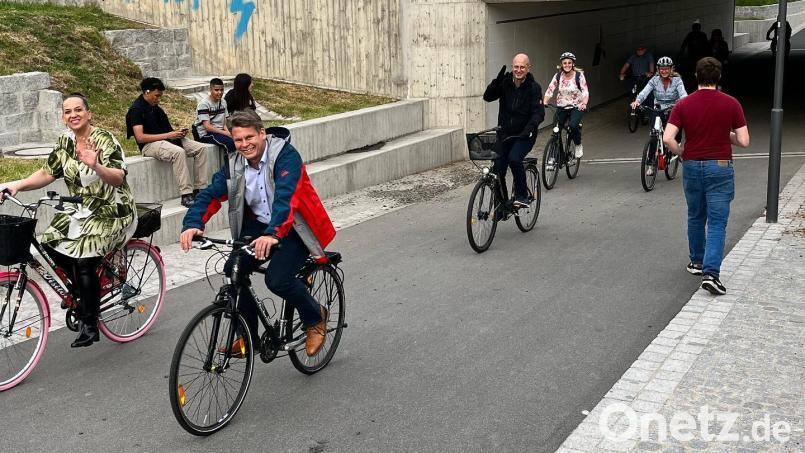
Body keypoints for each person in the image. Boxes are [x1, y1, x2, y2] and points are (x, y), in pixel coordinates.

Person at [180, 110, 336, 357]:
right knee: (234, 270)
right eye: (238, 139)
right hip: (258, 227)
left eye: (249, 137)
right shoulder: (234, 164)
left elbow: (286, 198)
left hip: (294, 227)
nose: (244, 144)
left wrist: (274, 234)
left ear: (262, 133)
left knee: (278, 279)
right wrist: (192, 223)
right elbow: (211, 194)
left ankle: (315, 316)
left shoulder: (285, 156)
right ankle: (248, 337)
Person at [1, 93, 137, 347]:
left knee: (84, 260)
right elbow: (47, 172)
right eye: (67, 111)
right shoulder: (65, 141)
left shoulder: (105, 140)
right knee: (49, 242)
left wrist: (96, 166)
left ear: (89, 113)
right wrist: (16, 185)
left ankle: (90, 321)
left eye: (78, 110)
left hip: (111, 210)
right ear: (63, 118)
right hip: (81, 209)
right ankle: (83, 290)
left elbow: (118, 177)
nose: (73, 115)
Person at [663, 57, 750, 296]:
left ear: (696, 76)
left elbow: (668, 138)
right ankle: (711, 274)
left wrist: (681, 152)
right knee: (717, 222)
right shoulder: (731, 103)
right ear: (719, 77)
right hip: (720, 166)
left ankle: (697, 261)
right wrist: (726, 134)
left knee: (695, 214)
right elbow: (744, 141)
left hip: (692, 165)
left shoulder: (683, 104)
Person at [126, 77, 208, 208]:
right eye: (156, 95)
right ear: (147, 92)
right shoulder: (136, 110)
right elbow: (140, 137)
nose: (158, 99)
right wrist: (169, 135)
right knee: (178, 152)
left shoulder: (156, 108)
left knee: (201, 149)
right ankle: (186, 194)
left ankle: (200, 189)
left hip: (167, 139)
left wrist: (177, 133)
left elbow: (166, 130)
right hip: (149, 145)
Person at [482, 53, 545, 208]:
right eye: (516, 66)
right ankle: (502, 204)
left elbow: (539, 113)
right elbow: (488, 97)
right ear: (512, 67)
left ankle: (522, 196)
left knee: (515, 159)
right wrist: (495, 83)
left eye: (522, 67)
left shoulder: (534, 87)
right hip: (504, 134)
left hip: (524, 135)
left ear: (528, 68)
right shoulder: (504, 83)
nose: (518, 70)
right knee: (497, 168)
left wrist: (529, 129)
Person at [631, 56, 687, 176]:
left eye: (667, 68)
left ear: (671, 69)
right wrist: (637, 101)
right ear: (658, 69)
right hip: (658, 108)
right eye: (662, 69)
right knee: (654, 134)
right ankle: (650, 164)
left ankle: (677, 148)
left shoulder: (677, 80)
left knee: (675, 129)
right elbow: (645, 92)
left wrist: (682, 103)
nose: (664, 71)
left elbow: (683, 95)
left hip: (674, 108)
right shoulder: (654, 80)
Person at [543, 51, 589, 158]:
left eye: (569, 63)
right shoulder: (558, 76)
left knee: (573, 126)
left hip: (576, 107)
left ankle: (578, 144)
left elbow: (585, 91)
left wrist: (584, 103)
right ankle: (558, 153)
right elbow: (550, 89)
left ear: (573, 64)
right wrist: (545, 100)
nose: (567, 65)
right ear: (561, 64)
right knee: (556, 129)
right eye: (565, 63)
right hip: (562, 107)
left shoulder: (579, 75)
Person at [194, 78, 235, 154]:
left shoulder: (223, 102)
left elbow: (225, 122)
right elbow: (207, 127)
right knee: (230, 142)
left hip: (220, 131)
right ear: (210, 89)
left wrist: (229, 132)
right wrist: (226, 133)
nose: (220, 92)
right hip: (205, 134)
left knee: (239, 137)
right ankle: (229, 165)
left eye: (222, 90)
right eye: (216, 90)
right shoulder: (204, 104)